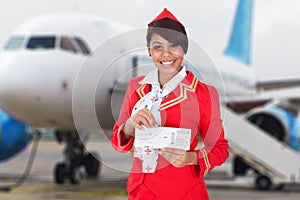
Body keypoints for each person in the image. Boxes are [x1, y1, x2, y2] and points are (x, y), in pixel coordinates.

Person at [111, 8, 229, 200]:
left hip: (184, 192)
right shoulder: (136, 88)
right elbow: (118, 142)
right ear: (149, 51)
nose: (166, 54)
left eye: (173, 46)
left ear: (184, 50)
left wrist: (190, 158)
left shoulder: (204, 94)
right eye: (158, 47)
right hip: (141, 192)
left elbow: (220, 148)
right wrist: (131, 124)